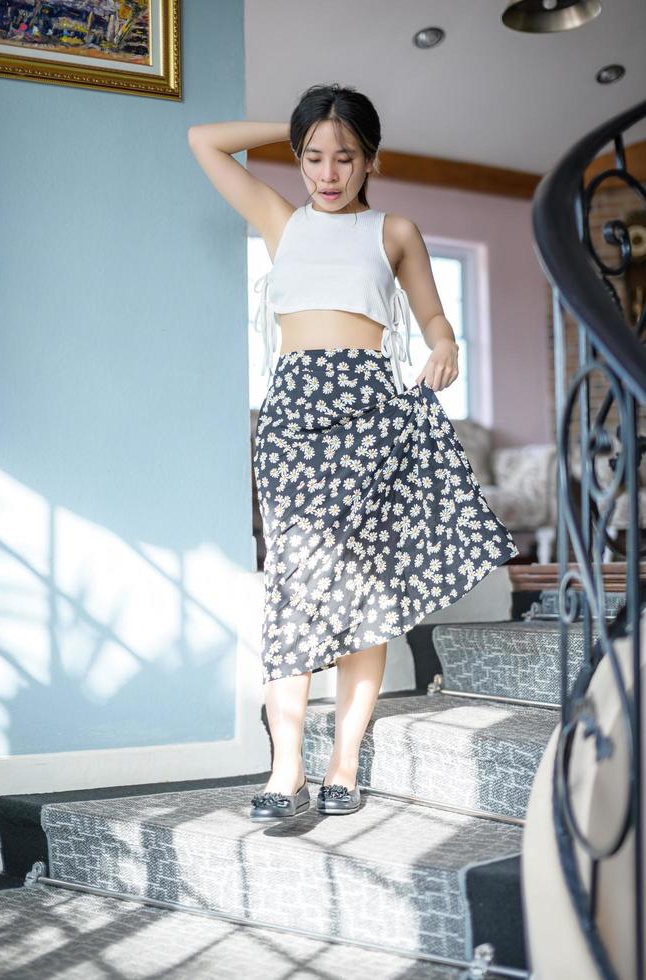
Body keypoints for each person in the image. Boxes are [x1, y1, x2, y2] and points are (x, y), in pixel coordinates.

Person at [187, 83, 519, 822]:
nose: (327, 173)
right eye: (312, 156)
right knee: (293, 590)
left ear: (371, 159)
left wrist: (445, 345)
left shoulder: (393, 229)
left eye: (344, 156)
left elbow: (433, 317)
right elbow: (202, 140)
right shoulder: (282, 219)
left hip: (371, 411)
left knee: (362, 595)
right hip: (295, 416)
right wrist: (304, 118)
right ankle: (284, 771)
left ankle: (342, 765)